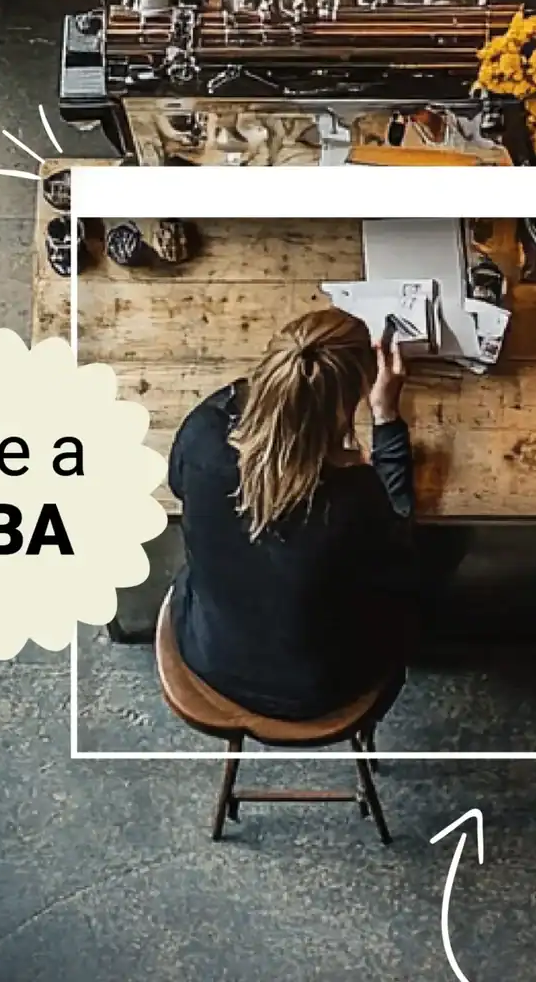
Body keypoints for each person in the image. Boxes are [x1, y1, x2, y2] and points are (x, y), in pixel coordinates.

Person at [166, 308, 418, 721]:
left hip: (210, 654)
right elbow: (401, 536)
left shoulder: (203, 434)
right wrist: (386, 420)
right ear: (348, 402)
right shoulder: (353, 496)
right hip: (320, 688)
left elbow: (179, 485)